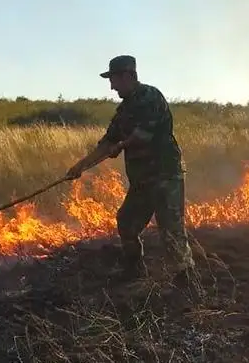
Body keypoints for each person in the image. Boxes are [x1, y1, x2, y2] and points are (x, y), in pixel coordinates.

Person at [65, 54, 195, 281]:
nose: (112, 86)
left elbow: (143, 134)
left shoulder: (151, 96)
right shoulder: (123, 112)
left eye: (113, 79)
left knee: (171, 231)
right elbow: (106, 143)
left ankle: (186, 279)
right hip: (142, 181)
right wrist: (80, 166)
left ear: (128, 75)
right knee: (126, 221)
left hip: (165, 176)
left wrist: (120, 146)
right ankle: (134, 269)